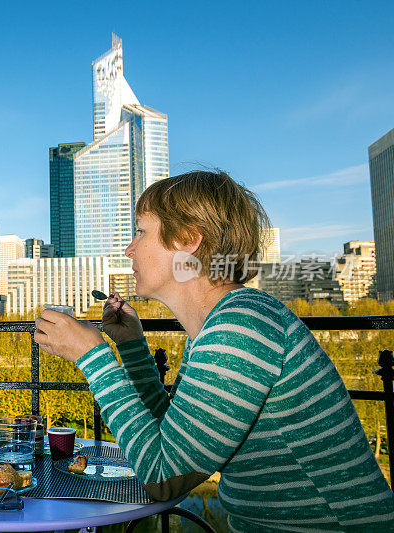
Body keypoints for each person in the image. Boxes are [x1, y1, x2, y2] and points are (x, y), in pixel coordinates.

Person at [34, 171, 394, 531]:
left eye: (141, 231)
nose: (130, 248)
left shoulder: (241, 325)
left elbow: (163, 475)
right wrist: (131, 347)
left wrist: (92, 356)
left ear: (188, 239)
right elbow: (175, 438)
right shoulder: (218, 325)